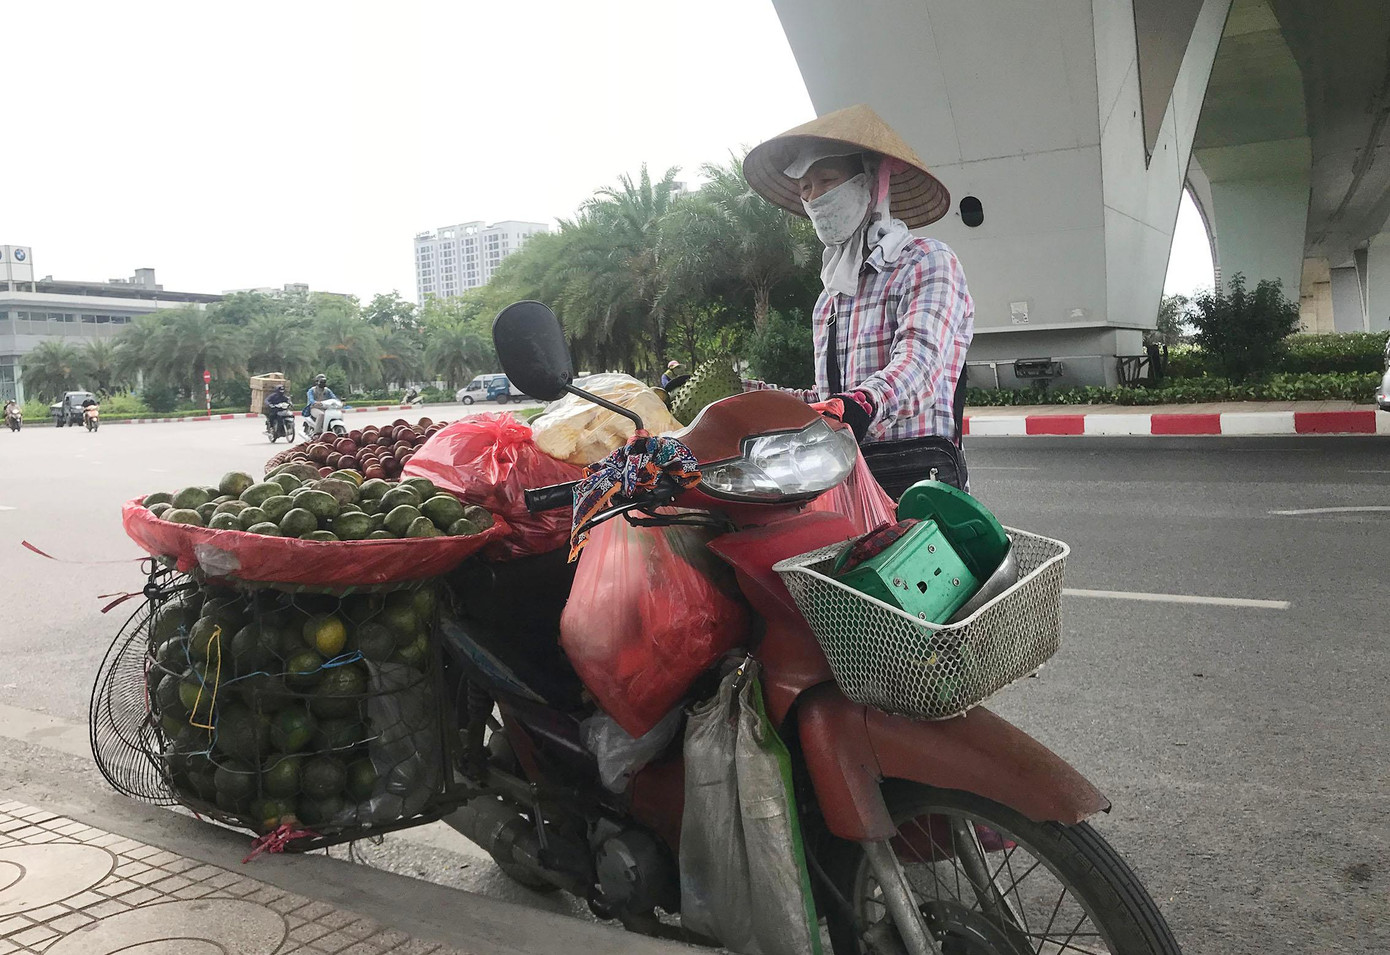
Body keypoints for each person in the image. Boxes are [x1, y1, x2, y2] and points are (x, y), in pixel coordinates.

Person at [741, 104, 974, 493]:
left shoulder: (926, 262)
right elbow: (827, 398)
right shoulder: (829, 301)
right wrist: (744, 394)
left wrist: (864, 403)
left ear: (870, 183)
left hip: (916, 479)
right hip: (848, 483)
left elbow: (920, 366)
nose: (813, 197)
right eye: (804, 188)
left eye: (826, 179)